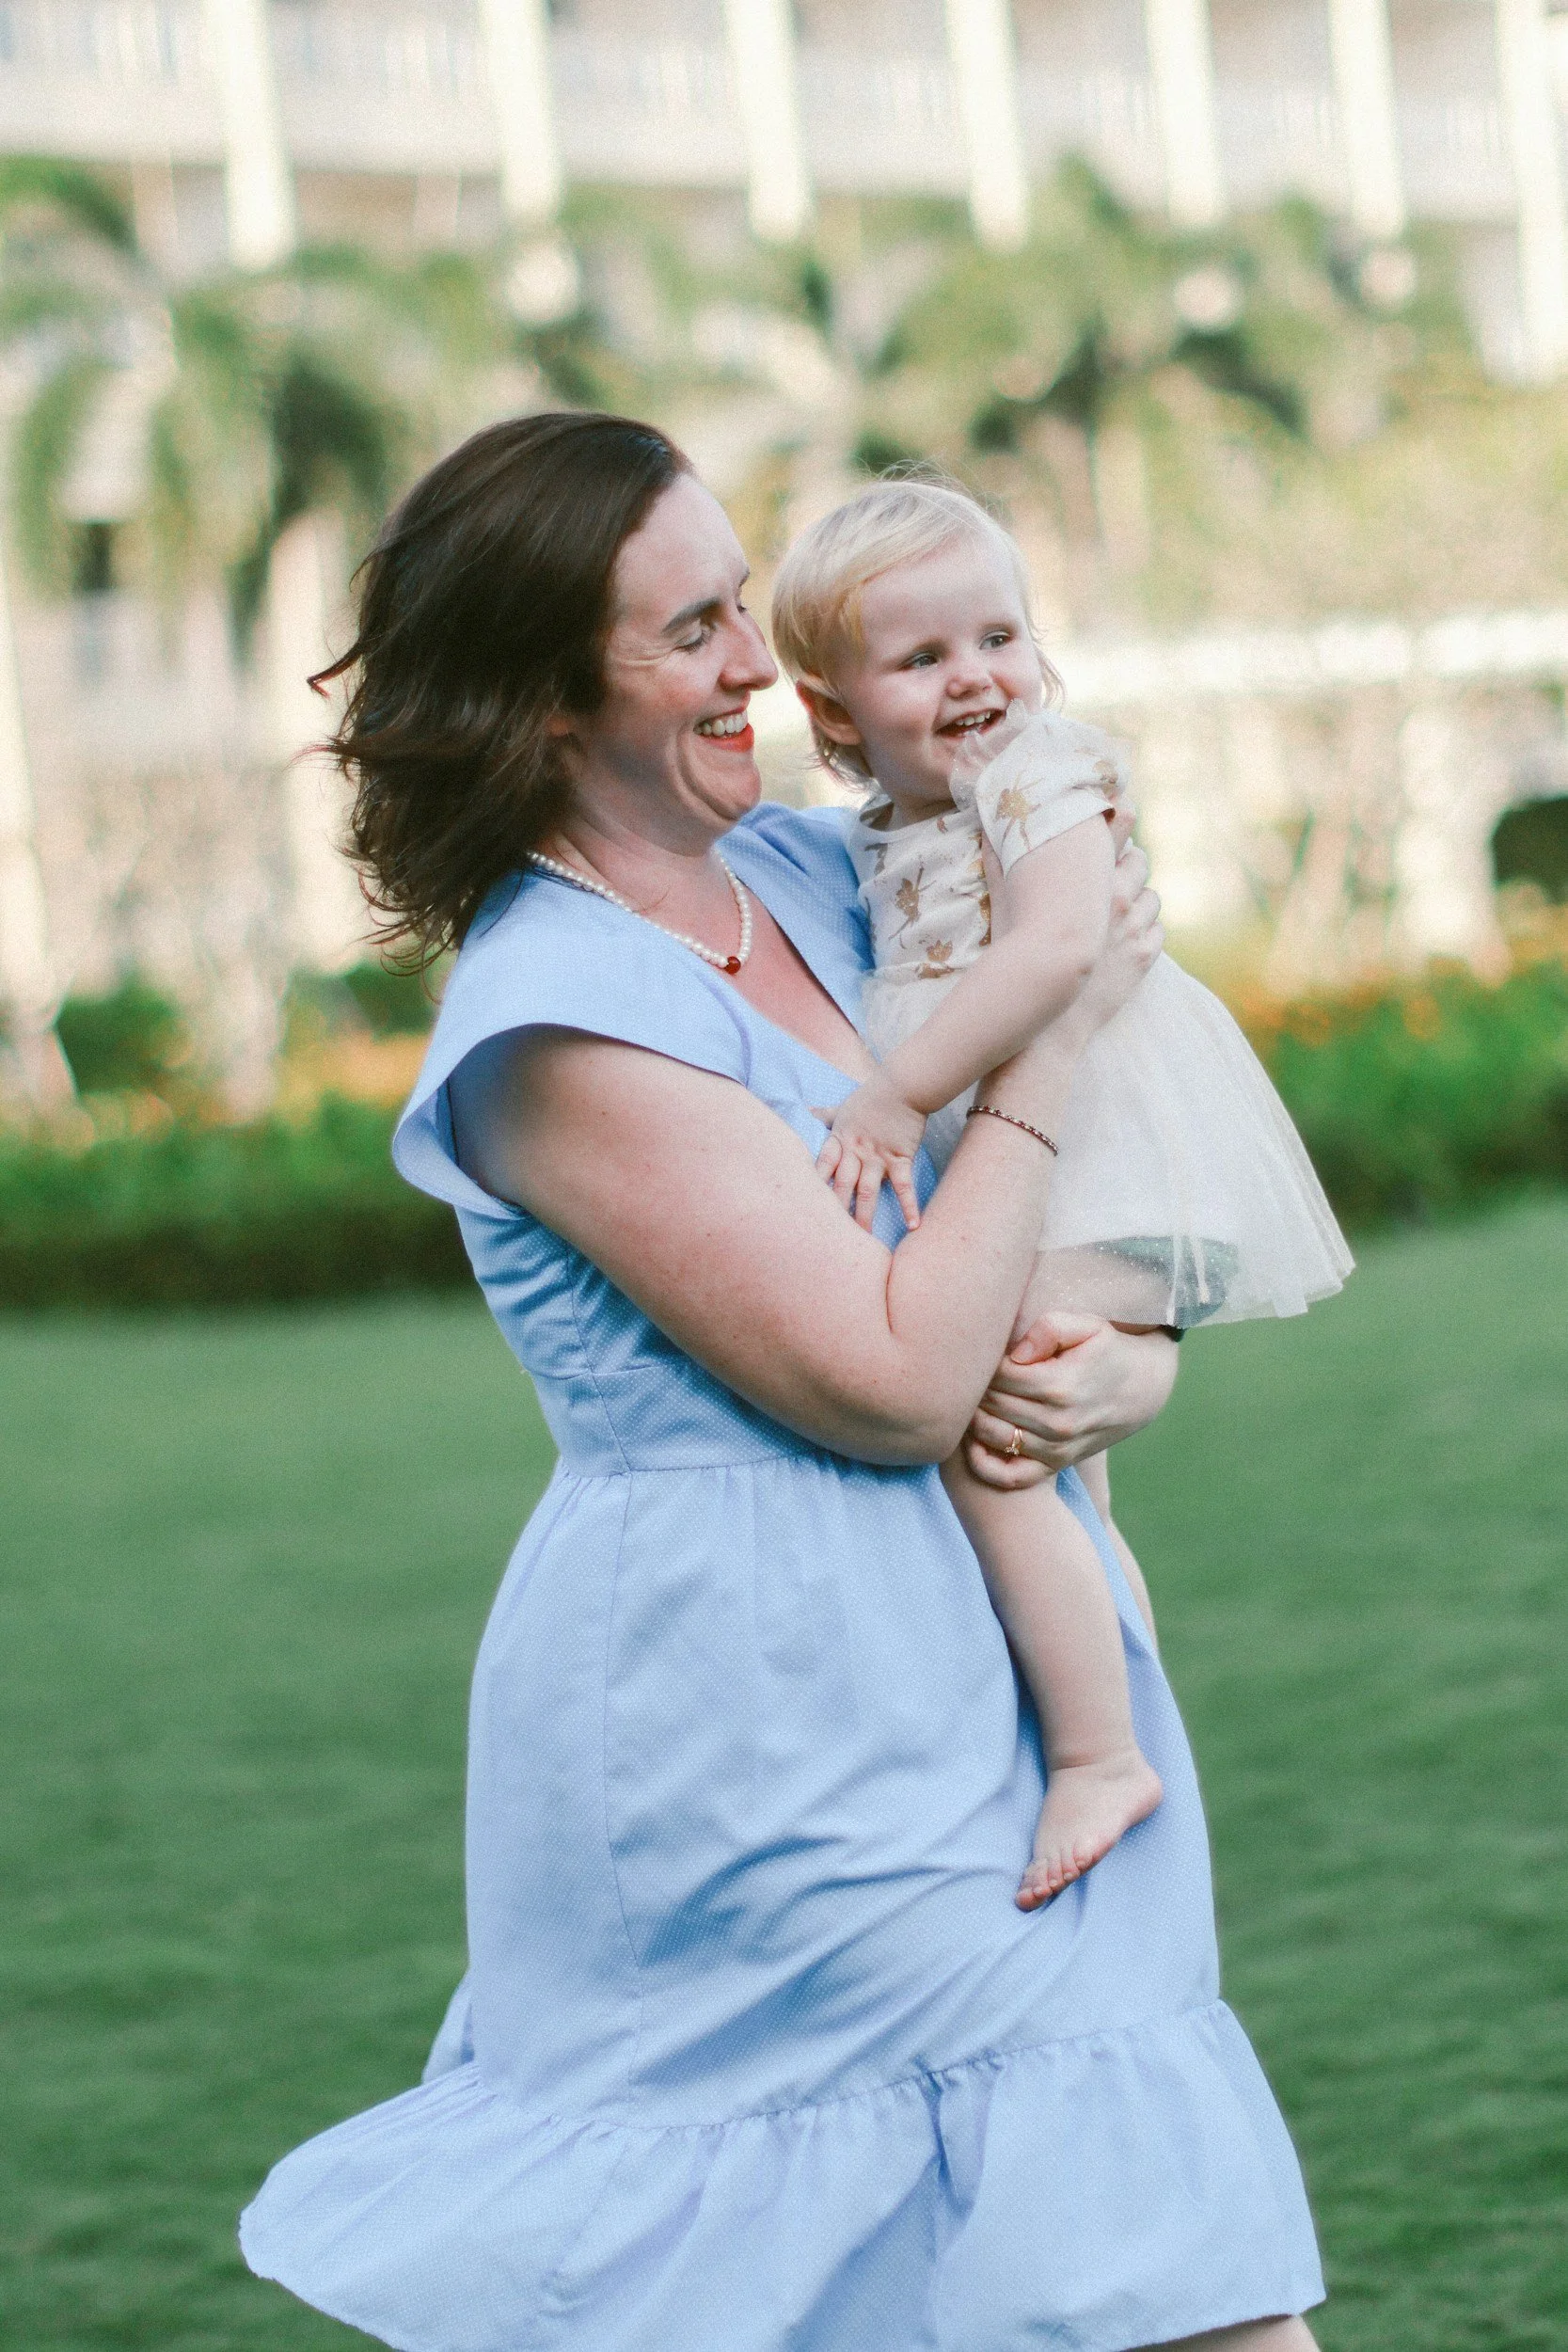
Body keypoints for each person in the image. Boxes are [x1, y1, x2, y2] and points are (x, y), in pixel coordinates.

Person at [240, 411, 1326, 2352]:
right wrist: (1043, 1043)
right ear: (539, 700)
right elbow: (903, 1373)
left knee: (1129, 2250)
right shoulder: (553, 1022)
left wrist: (1120, 1379)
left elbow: (1060, 1236)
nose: (761, 660)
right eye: (694, 629)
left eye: (742, 602)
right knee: (1053, 2274)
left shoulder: (833, 876)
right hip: (765, 1725)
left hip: (1014, 1664)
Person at [770, 480, 1353, 1911]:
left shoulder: (1039, 773)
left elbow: (1053, 955)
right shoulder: (875, 829)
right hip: (1019, 1145)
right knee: (1061, 1472)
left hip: (1087, 1132)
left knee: (996, 1437)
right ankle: (1116, 1716)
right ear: (833, 711)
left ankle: (1097, 1755)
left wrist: (900, 1095)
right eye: (920, 659)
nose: (975, 676)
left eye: (997, 635)